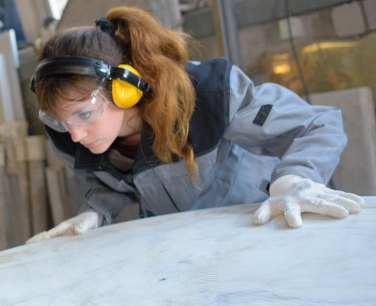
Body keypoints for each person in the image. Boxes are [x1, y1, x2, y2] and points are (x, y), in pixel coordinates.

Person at [26, 7, 364, 243]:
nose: (74, 133)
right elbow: (110, 182)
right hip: (186, 244)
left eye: (84, 114)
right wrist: (96, 211)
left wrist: (295, 177)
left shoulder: (210, 96)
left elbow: (318, 123)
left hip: (266, 227)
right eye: (61, 119)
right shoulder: (70, 131)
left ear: (126, 89)